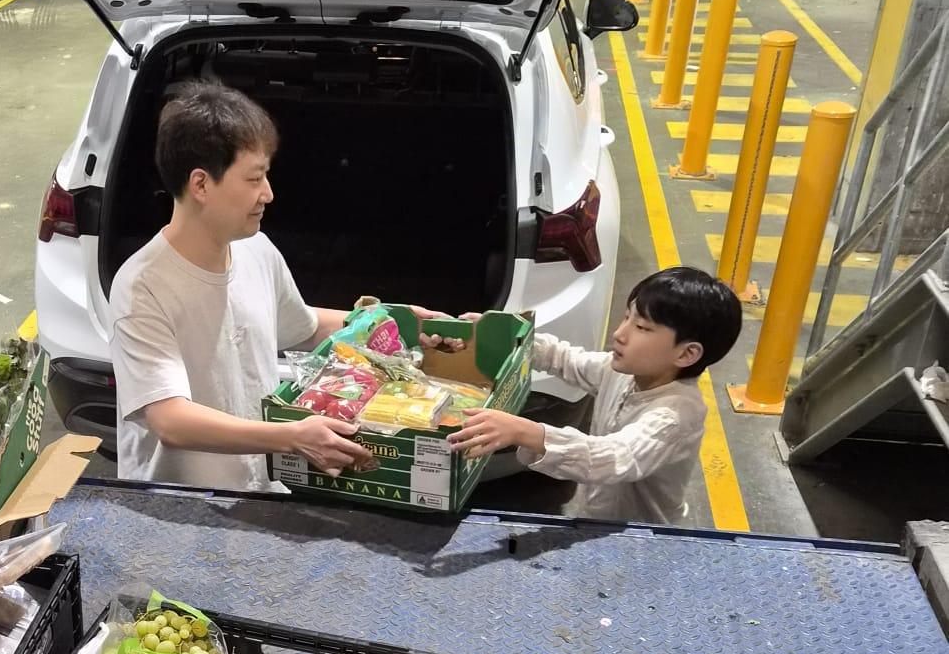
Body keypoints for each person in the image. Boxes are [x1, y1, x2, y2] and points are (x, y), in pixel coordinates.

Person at [108, 80, 436, 493]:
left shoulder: (255, 250)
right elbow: (170, 420)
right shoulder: (144, 287)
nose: (268, 193)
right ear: (201, 185)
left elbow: (306, 327)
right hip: (181, 513)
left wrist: (395, 321)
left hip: (264, 497)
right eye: (254, 179)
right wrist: (293, 436)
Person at [448, 267, 743, 527]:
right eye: (627, 317)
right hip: (598, 521)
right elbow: (564, 359)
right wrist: (503, 336)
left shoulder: (676, 415)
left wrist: (524, 431)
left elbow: (612, 457)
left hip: (644, 540)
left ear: (686, 353)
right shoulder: (623, 372)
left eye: (641, 327)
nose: (620, 333)